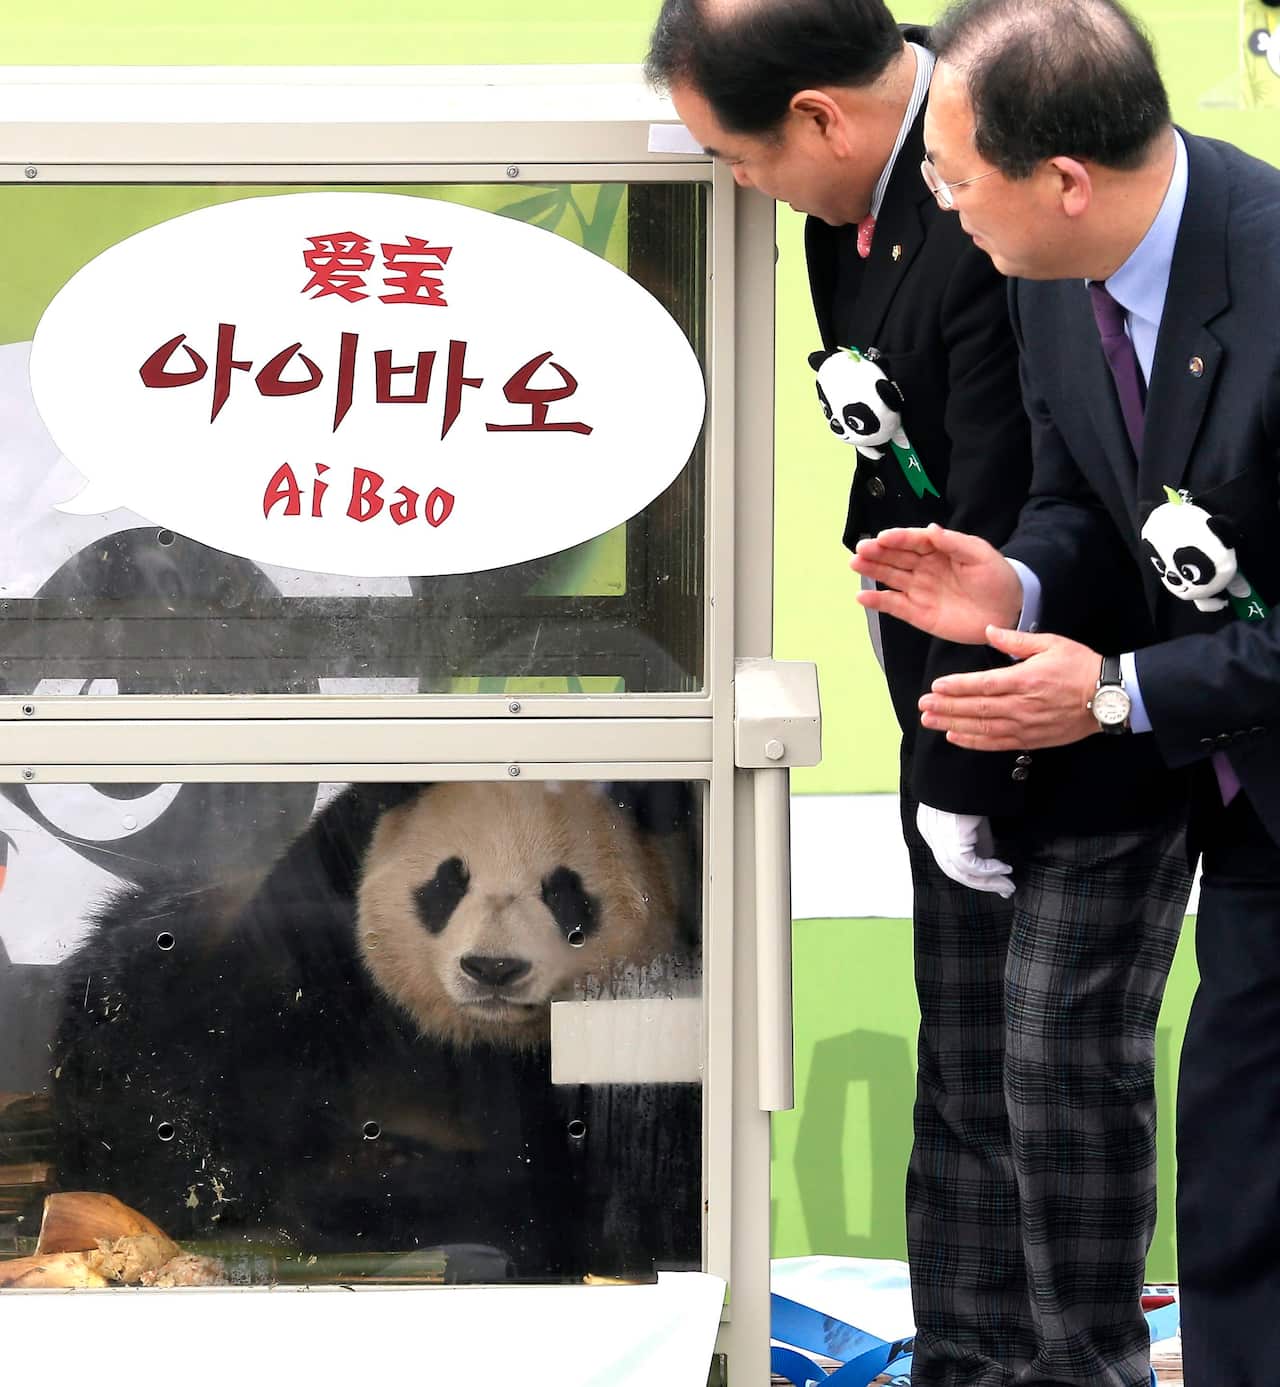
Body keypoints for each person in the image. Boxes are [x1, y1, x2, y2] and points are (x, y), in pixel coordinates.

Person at [646, 3, 1191, 1384]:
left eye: (741, 158)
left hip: (1078, 701)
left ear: (819, 116)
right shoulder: (854, 214)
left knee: (1057, 1077)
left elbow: (1024, 494)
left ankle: (1082, 1370)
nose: (743, 188)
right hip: (948, 689)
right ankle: (966, 1358)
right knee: (963, 1068)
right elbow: (897, 449)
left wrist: (967, 762)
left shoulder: (996, 209)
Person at [850, 0, 1280, 1380]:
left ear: (1066, 180)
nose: (938, 204)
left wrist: (1115, 695)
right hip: (1240, 785)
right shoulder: (1048, 270)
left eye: (953, 178)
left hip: (1231, 725)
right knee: (1239, 1173)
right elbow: (1082, 499)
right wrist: (1017, 585)